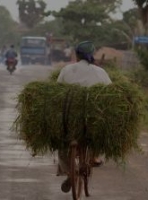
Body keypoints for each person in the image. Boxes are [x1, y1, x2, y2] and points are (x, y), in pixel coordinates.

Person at [57, 41, 112, 193]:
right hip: (91, 118)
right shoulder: (100, 72)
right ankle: (94, 157)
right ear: (91, 55)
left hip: (70, 119)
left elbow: (58, 90)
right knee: (98, 134)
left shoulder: (67, 69)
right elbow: (110, 92)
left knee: (62, 147)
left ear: (77, 54)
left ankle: (70, 172)